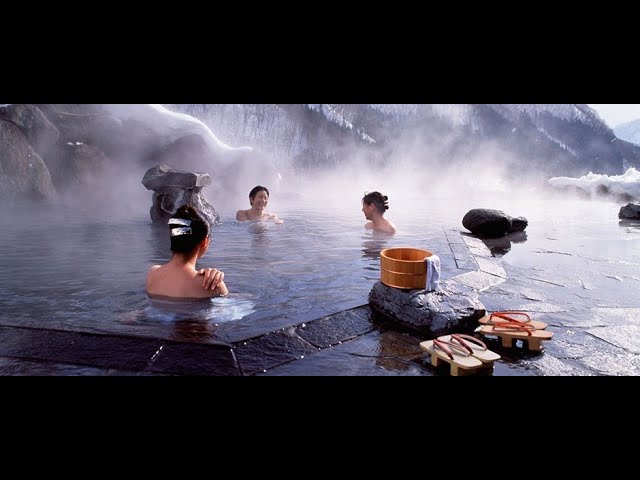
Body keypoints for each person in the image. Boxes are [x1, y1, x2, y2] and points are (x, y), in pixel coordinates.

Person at [146, 205, 229, 299]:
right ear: (204, 242)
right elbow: (233, 309)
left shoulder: (153, 274)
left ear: (172, 237)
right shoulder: (210, 285)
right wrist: (221, 286)